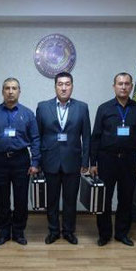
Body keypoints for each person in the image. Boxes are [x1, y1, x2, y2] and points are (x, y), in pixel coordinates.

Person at [89, 72, 136, 247]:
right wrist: (93, 163)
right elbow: (96, 137)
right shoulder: (104, 108)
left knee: (126, 199)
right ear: (114, 86)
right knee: (104, 198)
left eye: (127, 83)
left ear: (131, 86)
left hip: (129, 160)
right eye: (120, 83)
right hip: (107, 160)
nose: (123, 87)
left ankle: (122, 233)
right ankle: (104, 234)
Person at [36, 71, 91, 245]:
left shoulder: (82, 107)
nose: (64, 88)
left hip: (72, 162)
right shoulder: (43, 107)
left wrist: (85, 161)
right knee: (51, 200)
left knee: (70, 200)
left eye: (67, 84)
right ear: (55, 87)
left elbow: (86, 137)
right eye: (60, 84)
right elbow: (38, 136)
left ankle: (68, 231)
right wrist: (37, 161)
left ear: (72, 86)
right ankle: (53, 231)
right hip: (49, 161)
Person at [0, 78, 41, 245]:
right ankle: (3, 232)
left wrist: (35, 162)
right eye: (7, 88)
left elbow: (36, 139)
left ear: (19, 91)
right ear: (2, 91)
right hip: (0, 160)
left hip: (21, 160)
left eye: (14, 88)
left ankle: (18, 231)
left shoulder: (28, 114)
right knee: (2, 199)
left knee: (20, 199)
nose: (10, 92)